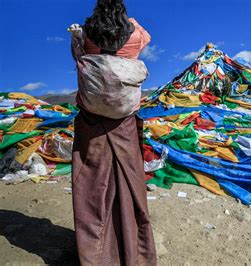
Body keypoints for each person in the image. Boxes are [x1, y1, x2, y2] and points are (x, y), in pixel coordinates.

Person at [69, 0, 157, 264]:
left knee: (91, 186)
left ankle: (94, 253)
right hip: (124, 123)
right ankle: (133, 251)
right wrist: (130, 22)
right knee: (129, 184)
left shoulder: (86, 33)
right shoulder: (134, 35)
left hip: (91, 121)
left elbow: (76, 55)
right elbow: (146, 37)